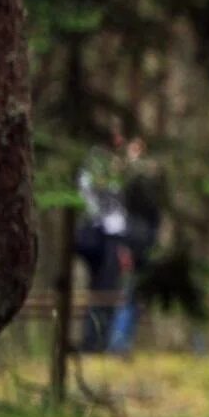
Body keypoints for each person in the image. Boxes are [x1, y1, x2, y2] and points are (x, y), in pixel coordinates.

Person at [106, 136, 163, 356]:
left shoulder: (137, 178)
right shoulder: (131, 180)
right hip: (134, 242)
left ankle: (120, 343)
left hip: (137, 241)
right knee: (129, 293)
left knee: (131, 293)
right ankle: (118, 343)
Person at [75, 133, 128, 353]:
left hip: (102, 232)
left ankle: (97, 339)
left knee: (104, 288)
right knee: (104, 289)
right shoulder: (102, 163)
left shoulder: (95, 162)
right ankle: (94, 341)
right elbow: (93, 193)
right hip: (104, 233)